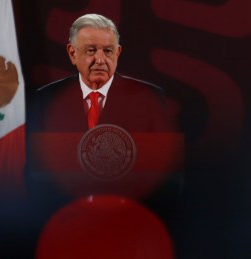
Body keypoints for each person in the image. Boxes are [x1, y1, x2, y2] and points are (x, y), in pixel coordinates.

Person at [26, 13, 182, 230]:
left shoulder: (148, 98)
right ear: (72, 53)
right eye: (91, 50)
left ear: (117, 53)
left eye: (107, 51)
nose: (100, 59)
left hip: (129, 221)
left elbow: (163, 175)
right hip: (65, 221)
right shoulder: (47, 100)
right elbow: (37, 174)